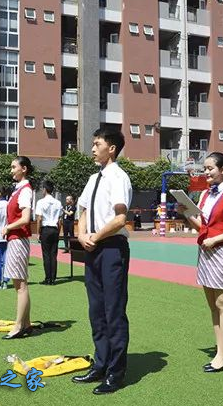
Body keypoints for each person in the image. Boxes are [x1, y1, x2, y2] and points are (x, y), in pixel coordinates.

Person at [72, 129, 132, 395]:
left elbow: (120, 218)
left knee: (113, 311)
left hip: (111, 249)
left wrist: (94, 236)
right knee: (96, 310)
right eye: (93, 143)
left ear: (112, 149)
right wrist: (81, 234)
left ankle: (115, 373)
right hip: (93, 247)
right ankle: (100, 364)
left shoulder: (118, 177)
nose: (92, 148)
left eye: (97, 144)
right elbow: (83, 211)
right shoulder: (93, 178)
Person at [178, 152, 223, 372]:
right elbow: (203, 227)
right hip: (206, 251)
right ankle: (220, 350)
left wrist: (216, 239)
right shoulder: (205, 195)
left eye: (210, 168)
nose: (206, 172)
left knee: (222, 303)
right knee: (212, 304)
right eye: (205, 168)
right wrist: (186, 214)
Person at [1, 156, 34, 340]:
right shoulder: (19, 189)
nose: (11, 170)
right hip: (15, 239)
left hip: (18, 239)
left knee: (20, 285)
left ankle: (19, 325)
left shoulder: (25, 191)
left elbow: (25, 218)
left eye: (14, 167)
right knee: (20, 284)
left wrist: (8, 227)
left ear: (24, 169)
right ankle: (26, 324)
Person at [35, 180, 63, 285]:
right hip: (55, 229)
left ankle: (48, 278)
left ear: (45, 189)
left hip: (46, 229)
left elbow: (39, 218)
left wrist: (38, 232)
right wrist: (58, 231)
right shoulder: (58, 202)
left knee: (46, 254)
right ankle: (53, 278)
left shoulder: (41, 202)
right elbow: (60, 220)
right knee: (53, 254)